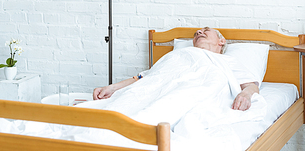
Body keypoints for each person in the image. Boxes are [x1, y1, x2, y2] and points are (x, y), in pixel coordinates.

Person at [93, 27, 259, 111]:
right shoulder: (178, 55)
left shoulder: (226, 61)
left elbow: (251, 86)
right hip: (157, 90)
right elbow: (146, 78)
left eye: (205, 30)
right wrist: (112, 88)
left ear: (221, 41)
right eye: (196, 33)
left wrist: (245, 94)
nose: (199, 32)